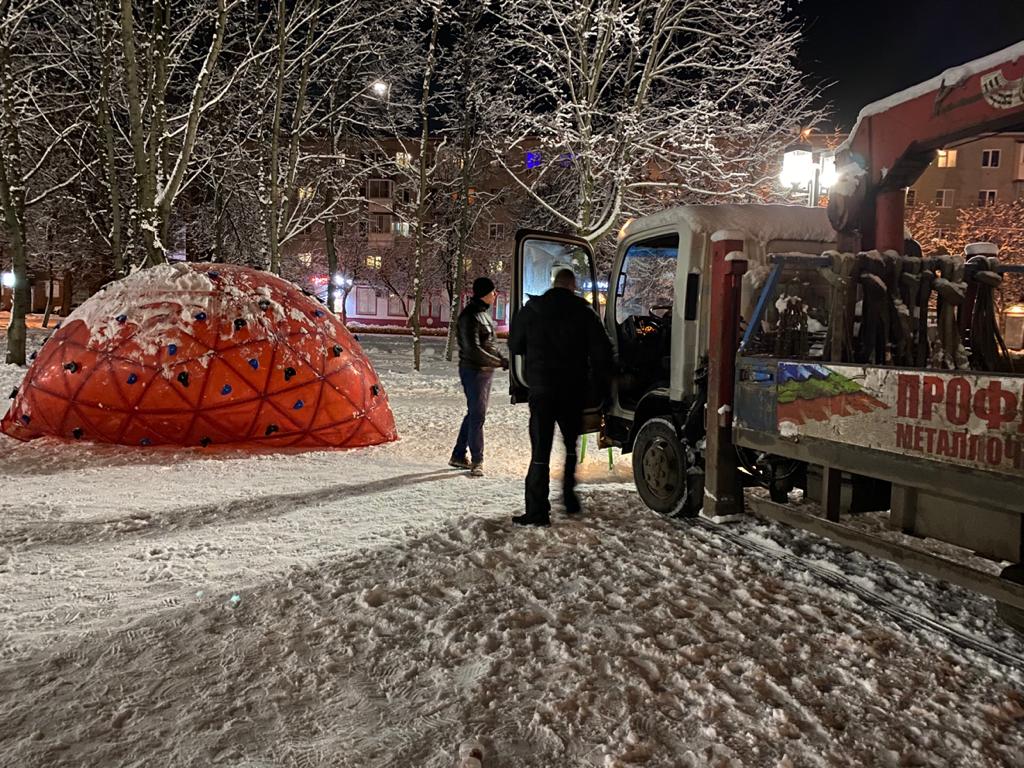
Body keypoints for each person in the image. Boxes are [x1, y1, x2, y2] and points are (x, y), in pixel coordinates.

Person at [508, 268, 613, 526]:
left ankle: (537, 511)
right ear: (572, 286)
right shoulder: (585, 312)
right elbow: (602, 352)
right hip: (573, 391)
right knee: (570, 446)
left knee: (540, 452)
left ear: (553, 284)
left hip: (541, 391)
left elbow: (514, 345)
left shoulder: (532, 310)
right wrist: (603, 388)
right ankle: (568, 497)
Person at [450, 276, 508, 476]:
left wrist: (502, 358)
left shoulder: (484, 315)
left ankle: (458, 455)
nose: (495, 294)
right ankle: (477, 460)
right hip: (473, 371)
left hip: (484, 372)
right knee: (478, 415)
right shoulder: (469, 316)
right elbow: (474, 350)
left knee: (474, 413)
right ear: (484, 293)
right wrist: (498, 362)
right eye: (493, 291)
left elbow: (490, 345)